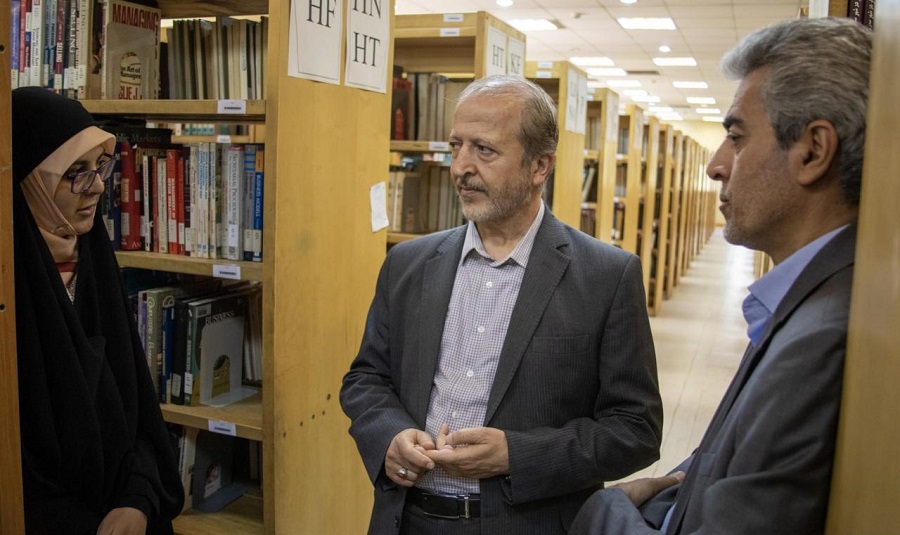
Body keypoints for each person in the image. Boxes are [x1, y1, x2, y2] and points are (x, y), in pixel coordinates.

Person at [569, 16, 871, 534]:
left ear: (813, 151)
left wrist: (606, 510)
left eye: (736, 136)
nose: (714, 165)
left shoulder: (818, 342)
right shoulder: (810, 302)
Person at [340, 74, 663, 534]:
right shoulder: (407, 263)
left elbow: (636, 429)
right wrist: (388, 435)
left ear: (540, 166)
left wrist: (517, 455)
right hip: (406, 519)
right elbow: (366, 379)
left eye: (484, 150)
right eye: (456, 146)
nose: (460, 167)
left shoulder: (606, 277)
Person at [11, 87, 184, 534]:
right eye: (75, 173)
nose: (99, 186)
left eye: (100, 166)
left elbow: (139, 412)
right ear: (27, 182)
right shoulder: (11, 288)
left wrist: (137, 501)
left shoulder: (92, 259)